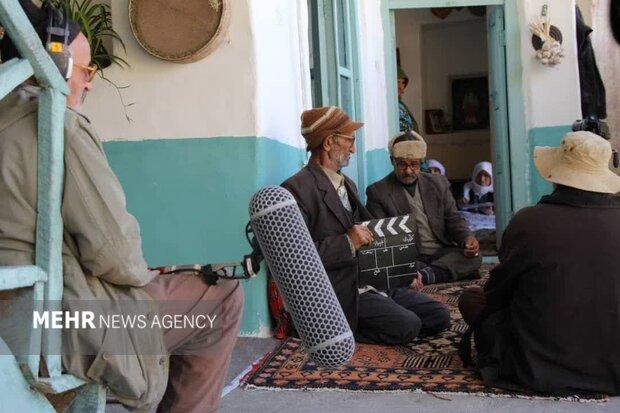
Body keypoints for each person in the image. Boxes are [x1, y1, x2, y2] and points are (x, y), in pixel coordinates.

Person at [0, 3, 242, 412]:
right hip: (52, 324)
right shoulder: (56, 122)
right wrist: (142, 273)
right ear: (54, 65)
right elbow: (115, 254)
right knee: (222, 298)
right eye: (86, 71)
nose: (90, 85)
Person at [458, 131, 620, 396]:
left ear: (556, 175)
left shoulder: (529, 221)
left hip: (538, 367)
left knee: (471, 299)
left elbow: (496, 295)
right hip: (614, 367)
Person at [282, 107, 449, 346]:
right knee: (408, 325)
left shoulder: (346, 183)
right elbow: (297, 260)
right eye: (349, 141)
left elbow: (371, 234)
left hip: (369, 277)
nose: (353, 149)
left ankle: (384, 310)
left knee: (438, 316)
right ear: (329, 142)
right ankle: (332, 331)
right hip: (341, 289)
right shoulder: (296, 189)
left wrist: (400, 268)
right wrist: (348, 242)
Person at [366, 131, 482, 286]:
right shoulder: (378, 191)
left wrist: (468, 239)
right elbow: (381, 240)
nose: (408, 171)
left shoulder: (438, 183)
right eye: (402, 164)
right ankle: (436, 272)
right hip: (409, 256)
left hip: (441, 252)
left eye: (414, 164)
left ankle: (426, 275)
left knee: (474, 257)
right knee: (396, 266)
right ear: (392, 161)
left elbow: (453, 219)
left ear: (421, 162)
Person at [397, 67, 420, 133]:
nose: (400, 86)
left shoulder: (400, 104)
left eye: (403, 82)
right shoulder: (391, 105)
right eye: (397, 82)